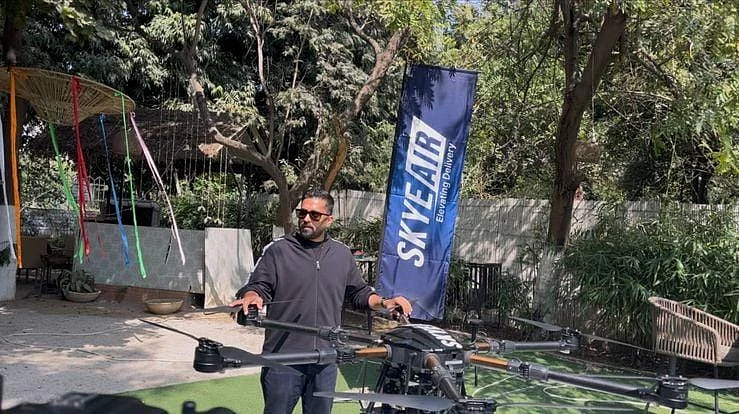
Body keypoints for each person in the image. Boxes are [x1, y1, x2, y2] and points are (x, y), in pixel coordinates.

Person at [230, 188, 412, 414]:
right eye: (302, 213)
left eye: (314, 215)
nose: (306, 218)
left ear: (329, 220)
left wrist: (384, 303)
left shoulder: (342, 254)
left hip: (325, 359)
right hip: (283, 358)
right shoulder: (278, 250)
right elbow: (258, 285)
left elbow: (359, 293)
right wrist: (252, 296)